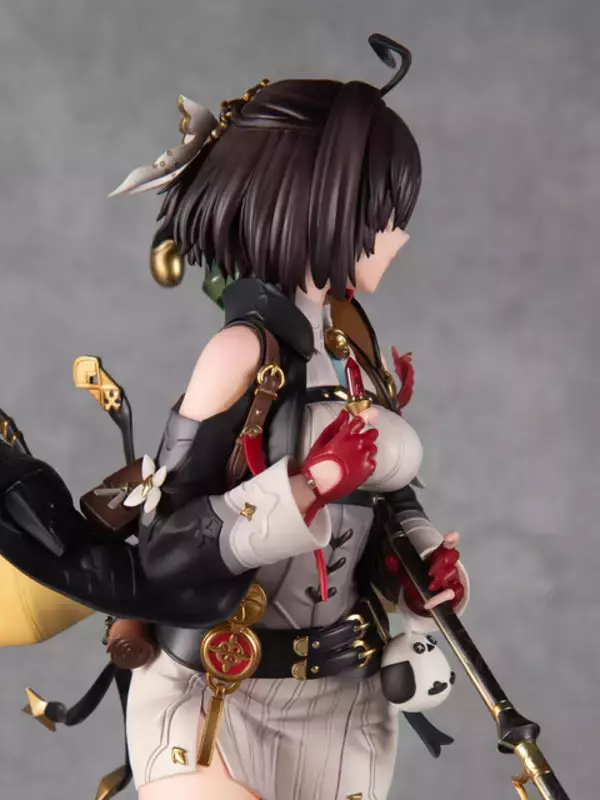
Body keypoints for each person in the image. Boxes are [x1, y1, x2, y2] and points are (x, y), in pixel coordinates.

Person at [0, 35, 469, 800]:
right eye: (381, 212)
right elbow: (166, 547)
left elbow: (384, 500)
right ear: (319, 210)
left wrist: (419, 564)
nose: (399, 234)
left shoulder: (352, 354)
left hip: (343, 710)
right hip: (216, 703)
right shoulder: (239, 355)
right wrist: (312, 483)